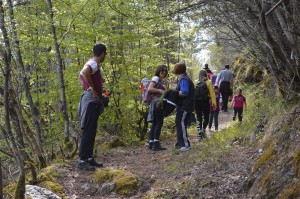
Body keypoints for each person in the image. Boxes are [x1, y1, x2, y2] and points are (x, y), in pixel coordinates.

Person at [77, 42, 107, 171]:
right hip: (90, 100)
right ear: (102, 54)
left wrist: (89, 85)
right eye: (105, 54)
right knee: (88, 130)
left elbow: (80, 77)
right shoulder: (93, 63)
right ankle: (82, 160)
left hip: (92, 100)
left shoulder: (93, 64)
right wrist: (92, 89)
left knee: (92, 130)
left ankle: (89, 157)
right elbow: (84, 72)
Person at [173, 62, 195, 152]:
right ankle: (180, 143)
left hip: (185, 105)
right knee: (180, 123)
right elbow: (180, 89)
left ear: (177, 69)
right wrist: (173, 85)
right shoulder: (183, 78)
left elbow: (184, 92)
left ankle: (185, 145)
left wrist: (173, 93)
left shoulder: (184, 79)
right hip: (185, 105)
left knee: (181, 123)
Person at [147, 65, 168, 151]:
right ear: (159, 71)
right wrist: (160, 91)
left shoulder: (159, 80)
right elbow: (150, 89)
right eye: (162, 71)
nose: (164, 72)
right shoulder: (156, 78)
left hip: (156, 103)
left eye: (166, 71)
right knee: (159, 122)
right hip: (157, 103)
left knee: (155, 123)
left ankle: (151, 143)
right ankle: (156, 143)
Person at [194, 70, 216, 141]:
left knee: (199, 117)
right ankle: (203, 130)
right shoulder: (209, 82)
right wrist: (214, 103)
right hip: (205, 102)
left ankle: (200, 132)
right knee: (206, 117)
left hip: (197, 103)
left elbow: (193, 93)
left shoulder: (195, 82)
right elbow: (212, 93)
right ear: (206, 74)